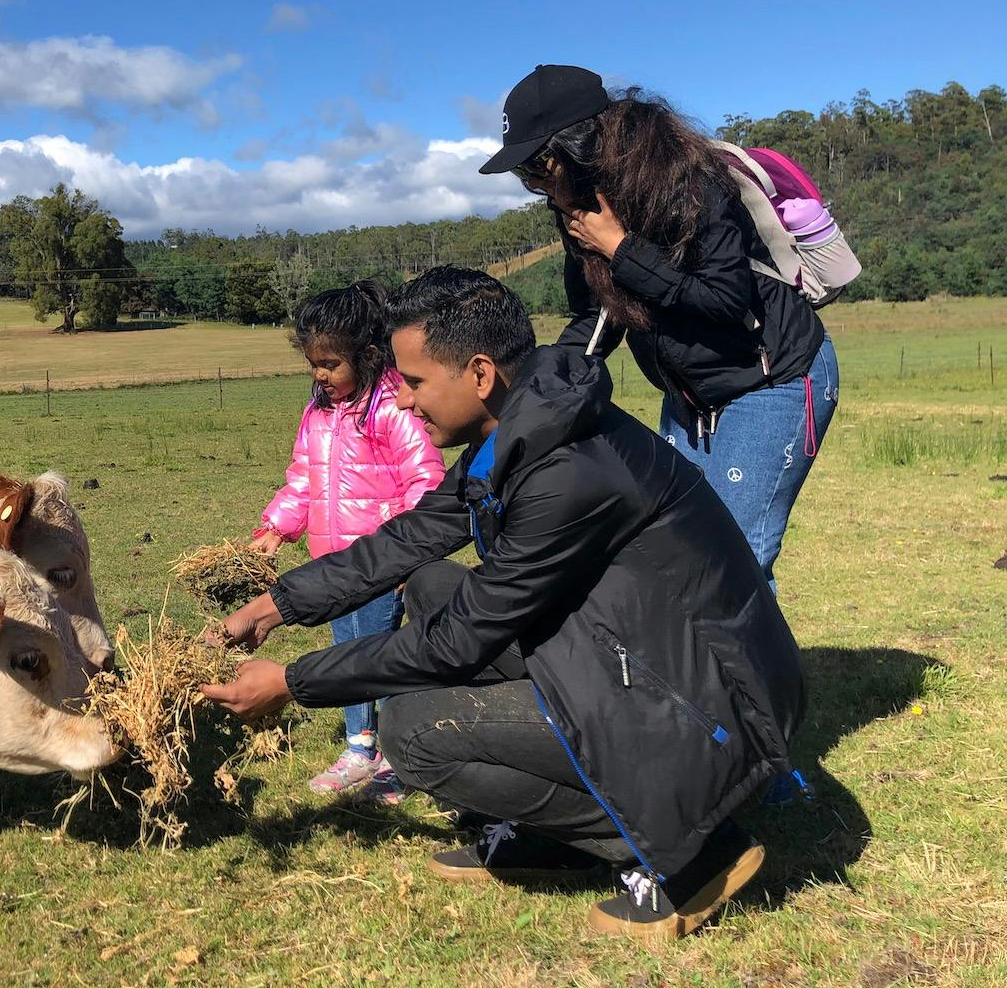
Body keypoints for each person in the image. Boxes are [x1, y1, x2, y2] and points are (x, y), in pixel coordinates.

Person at [203, 267, 806, 941]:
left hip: (704, 709)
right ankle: (560, 832)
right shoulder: (529, 425)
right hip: (638, 653)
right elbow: (414, 536)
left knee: (415, 733)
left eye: (415, 381)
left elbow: (457, 643)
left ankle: (689, 851)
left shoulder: (567, 473)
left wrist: (292, 681)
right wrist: (273, 606)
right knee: (432, 583)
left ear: (481, 373)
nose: (401, 401)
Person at [478, 64, 837, 591]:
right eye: (525, 175)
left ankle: (755, 675)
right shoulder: (581, 203)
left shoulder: (687, 180)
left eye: (539, 167)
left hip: (771, 380)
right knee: (673, 543)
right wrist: (536, 391)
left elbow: (723, 299)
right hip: (691, 395)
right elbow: (594, 318)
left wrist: (620, 248)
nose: (537, 186)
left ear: (580, 144)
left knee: (734, 558)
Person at [249, 281, 445, 799]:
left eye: (331, 363)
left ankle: (402, 755)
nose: (320, 374)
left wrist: (407, 557)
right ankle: (360, 745)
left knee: (380, 654)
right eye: (314, 363)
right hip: (332, 571)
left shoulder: (390, 410)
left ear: (368, 355)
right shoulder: (317, 415)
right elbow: (302, 478)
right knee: (346, 653)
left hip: (381, 566)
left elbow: (423, 481)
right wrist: (276, 527)